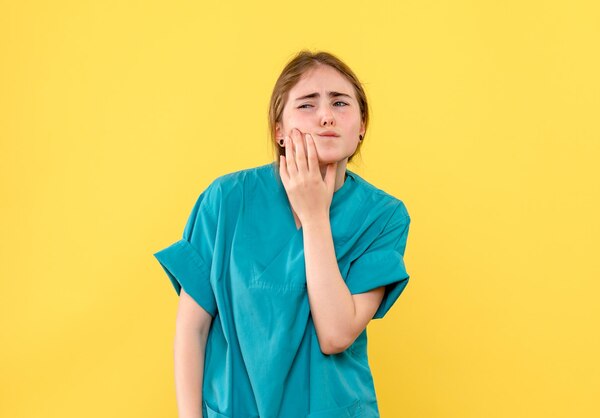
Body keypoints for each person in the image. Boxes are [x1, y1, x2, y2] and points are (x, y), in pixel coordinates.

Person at [154, 50, 412, 418]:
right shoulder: (227, 200)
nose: (326, 116)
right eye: (307, 105)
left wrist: (314, 214)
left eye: (340, 103)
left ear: (361, 126)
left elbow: (336, 334)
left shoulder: (383, 216)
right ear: (278, 130)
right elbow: (191, 330)